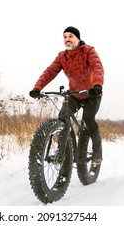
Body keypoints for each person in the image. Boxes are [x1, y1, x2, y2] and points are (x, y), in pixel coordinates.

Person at [29, 26, 104, 170]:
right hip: (74, 94)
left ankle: (97, 155)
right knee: (63, 118)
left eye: (70, 36)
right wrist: (37, 87)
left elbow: (97, 67)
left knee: (88, 120)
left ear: (78, 38)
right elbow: (50, 71)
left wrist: (97, 85)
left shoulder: (89, 51)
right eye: (65, 37)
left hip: (92, 93)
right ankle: (63, 151)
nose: (67, 39)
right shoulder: (62, 56)